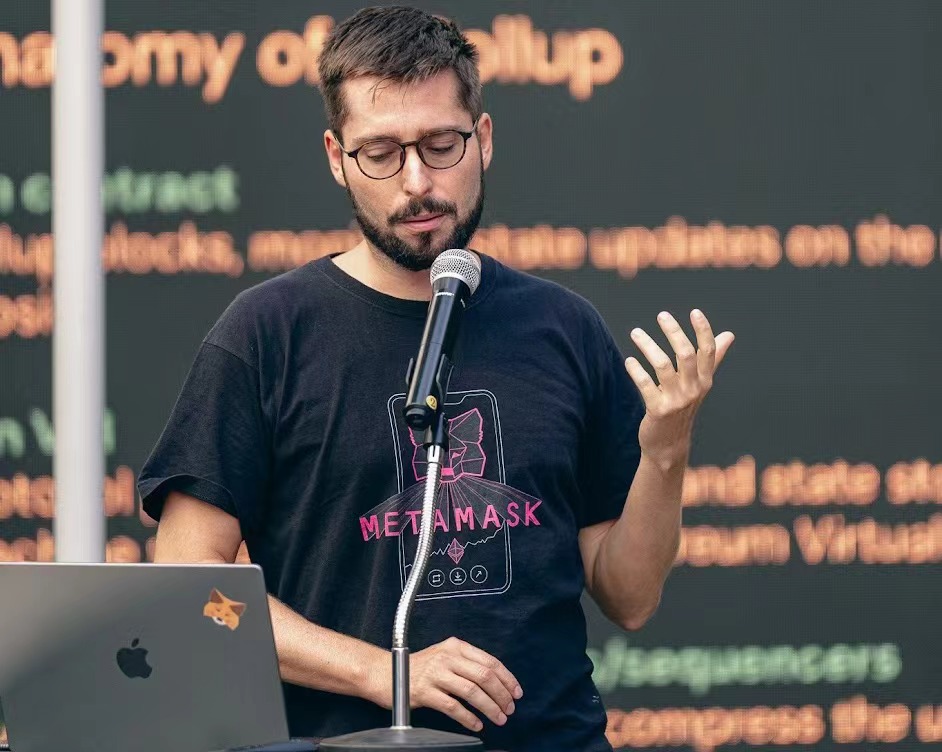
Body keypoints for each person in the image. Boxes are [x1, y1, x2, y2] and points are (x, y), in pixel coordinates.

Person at [137, 6, 734, 751]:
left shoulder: (563, 327)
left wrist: (666, 453)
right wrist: (385, 672)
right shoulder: (265, 335)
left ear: (483, 139)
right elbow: (193, 590)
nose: (417, 182)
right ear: (336, 157)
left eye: (441, 145)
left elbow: (630, 597)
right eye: (381, 153)